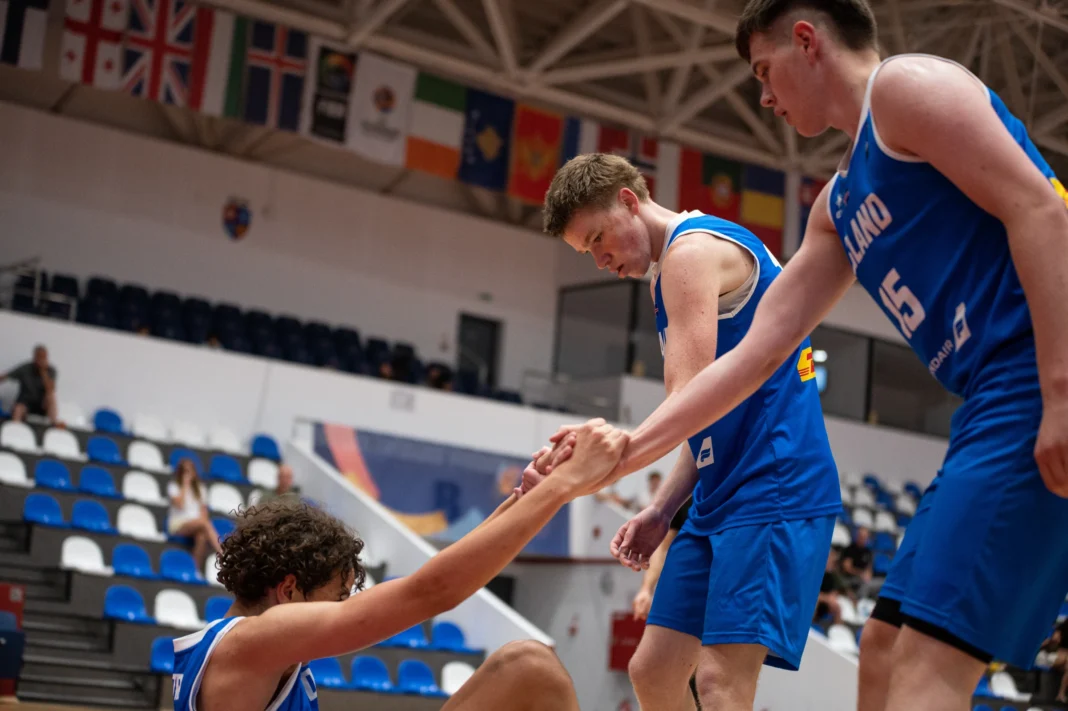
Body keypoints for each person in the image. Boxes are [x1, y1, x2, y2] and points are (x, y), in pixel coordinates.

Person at [534, 1, 1068, 709]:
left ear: (808, 41)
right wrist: (621, 453)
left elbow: (1043, 210)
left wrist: (1060, 390)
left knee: (922, 668)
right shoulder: (837, 207)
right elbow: (749, 360)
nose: (763, 96)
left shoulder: (905, 88)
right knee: (881, 651)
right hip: (983, 402)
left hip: (1027, 378)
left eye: (764, 70)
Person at [534, 153, 842, 711]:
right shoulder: (673, 268)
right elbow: (704, 419)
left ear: (629, 201)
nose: (601, 260)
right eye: (587, 252)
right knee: (653, 671)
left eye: (599, 238)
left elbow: (686, 399)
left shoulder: (691, 254)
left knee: (721, 683)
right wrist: (662, 508)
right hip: (720, 489)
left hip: (775, 485)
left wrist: (604, 460)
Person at [171, 421, 625, 711]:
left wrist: (525, 498)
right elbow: (432, 591)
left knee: (526, 666)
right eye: (337, 598)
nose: (343, 609)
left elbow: (438, 577)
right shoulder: (253, 640)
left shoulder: (250, 650)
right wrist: (564, 486)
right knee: (531, 665)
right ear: (289, 590)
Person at [167, 459, 224, 569]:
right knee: (205, 523)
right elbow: (180, 505)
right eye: (185, 471)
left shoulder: (201, 489)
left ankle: (194, 569)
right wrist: (185, 485)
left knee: (201, 536)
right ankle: (222, 551)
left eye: (190, 470)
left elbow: (204, 513)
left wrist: (200, 523)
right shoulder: (174, 487)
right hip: (178, 525)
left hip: (197, 525)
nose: (187, 474)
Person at [1, 345, 58, 424]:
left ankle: (54, 423)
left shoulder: (51, 371)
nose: (41, 360)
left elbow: (50, 389)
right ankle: (15, 427)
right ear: (34, 357)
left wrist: (43, 372)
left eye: (43, 357)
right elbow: (6, 376)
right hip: (25, 404)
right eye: (39, 357)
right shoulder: (25, 368)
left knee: (51, 396)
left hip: (42, 405)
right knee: (18, 408)